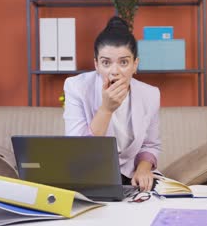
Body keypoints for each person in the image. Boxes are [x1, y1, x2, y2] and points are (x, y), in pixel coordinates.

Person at [63, 16, 161, 192]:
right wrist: (106, 109)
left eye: (123, 62)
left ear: (135, 64)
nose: (115, 72)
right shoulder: (76, 87)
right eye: (106, 63)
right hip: (88, 175)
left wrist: (143, 169)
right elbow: (78, 152)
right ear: (96, 65)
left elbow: (150, 145)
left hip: (130, 177)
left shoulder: (150, 94)